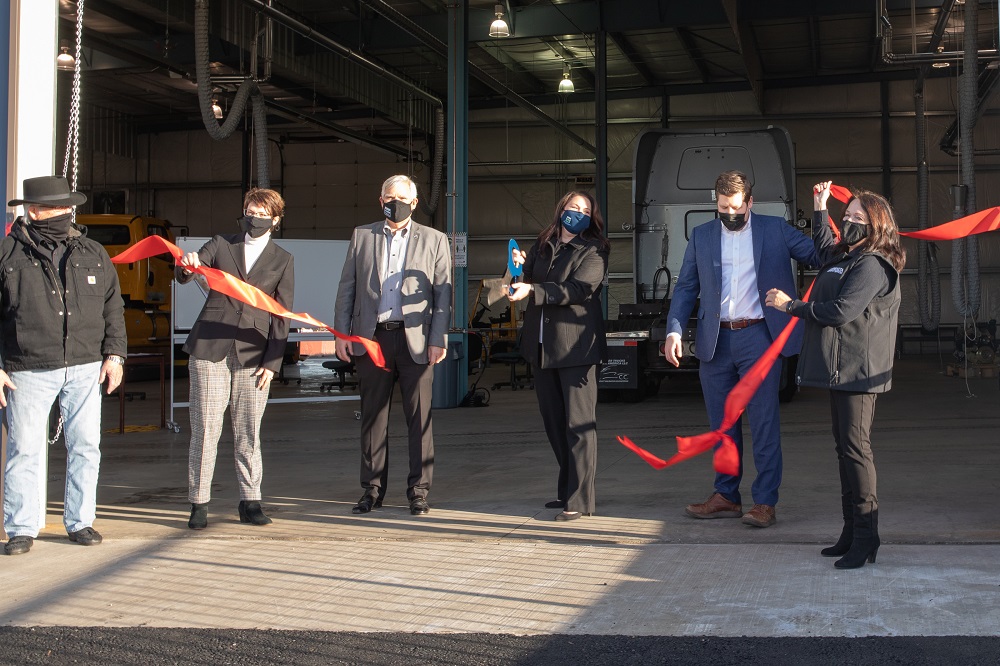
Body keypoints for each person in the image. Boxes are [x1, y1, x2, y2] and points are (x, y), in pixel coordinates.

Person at [664, 170, 819, 528]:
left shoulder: (775, 229)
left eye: (736, 206)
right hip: (715, 341)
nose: (729, 213)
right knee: (722, 425)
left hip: (759, 337)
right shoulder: (702, 236)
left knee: (764, 422)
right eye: (723, 207)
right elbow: (686, 287)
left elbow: (817, 254)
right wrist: (673, 331)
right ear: (714, 202)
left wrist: (822, 212)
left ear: (750, 202)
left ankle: (765, 502)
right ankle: (726, 496)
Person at [765, 181, 904, 569]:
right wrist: (820, 206)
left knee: (856, 450)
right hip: (841, 371)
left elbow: (840, 310)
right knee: (845, 450)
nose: (851, 221)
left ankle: (867, 536)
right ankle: (851, 531)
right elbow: (826, 248)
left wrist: (790, 305)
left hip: (860, 372)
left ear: (877, 223)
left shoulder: (874, 265)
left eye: (859, 217)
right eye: (849, 216)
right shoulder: (848, 257)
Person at [1, 176, 126, 556]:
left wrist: (115, 355)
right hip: (27, 368)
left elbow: (112, 307)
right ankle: (21, 527)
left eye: (66, 207)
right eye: (55, 208)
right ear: (34, 211)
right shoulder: (7, 254)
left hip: (87, 366)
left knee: (87, 446)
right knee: (24, 449)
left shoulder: (92, 252)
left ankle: (80, 521)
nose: (64, 213)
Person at [176, 188, 295, 530]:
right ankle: (199, 503)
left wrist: (273, 364)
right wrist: (187, 266)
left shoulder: (283, 259)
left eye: (261, 214)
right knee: (205, 429)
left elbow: (281, 315)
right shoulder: (221, 244)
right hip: (209, 349)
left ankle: (251, 501)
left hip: (254, 354)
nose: (253, 218)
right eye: (249, 211)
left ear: (275, 219)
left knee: (248, 432)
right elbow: (189, 270)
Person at [334, 175, 452, 516]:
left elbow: (443, 293)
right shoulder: (362, 235)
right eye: (389, 196)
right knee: (373, 417)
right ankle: (371, 490)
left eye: (402, 197)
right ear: (380, 199)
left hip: (417, 339)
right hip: (373, 339)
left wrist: (438, 338)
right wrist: (343, 333)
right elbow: (347, 287)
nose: (394, 202)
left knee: (420, 417)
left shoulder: (434, 239)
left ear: (415, 204)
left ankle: (419, 491)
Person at [508, 191, 610, 521]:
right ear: (561, 209)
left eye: (584, 209)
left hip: (575, 348)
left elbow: (579, 290)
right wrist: (516, 270)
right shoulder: (542, 246)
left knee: (579, 425)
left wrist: (535, 291)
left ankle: (580, 500)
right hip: (541, 348)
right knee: (554, 423)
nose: (576, 213)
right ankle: (567, 490)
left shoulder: (594, 249)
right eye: (572, 207)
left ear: (591, 217)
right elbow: (518, 284)